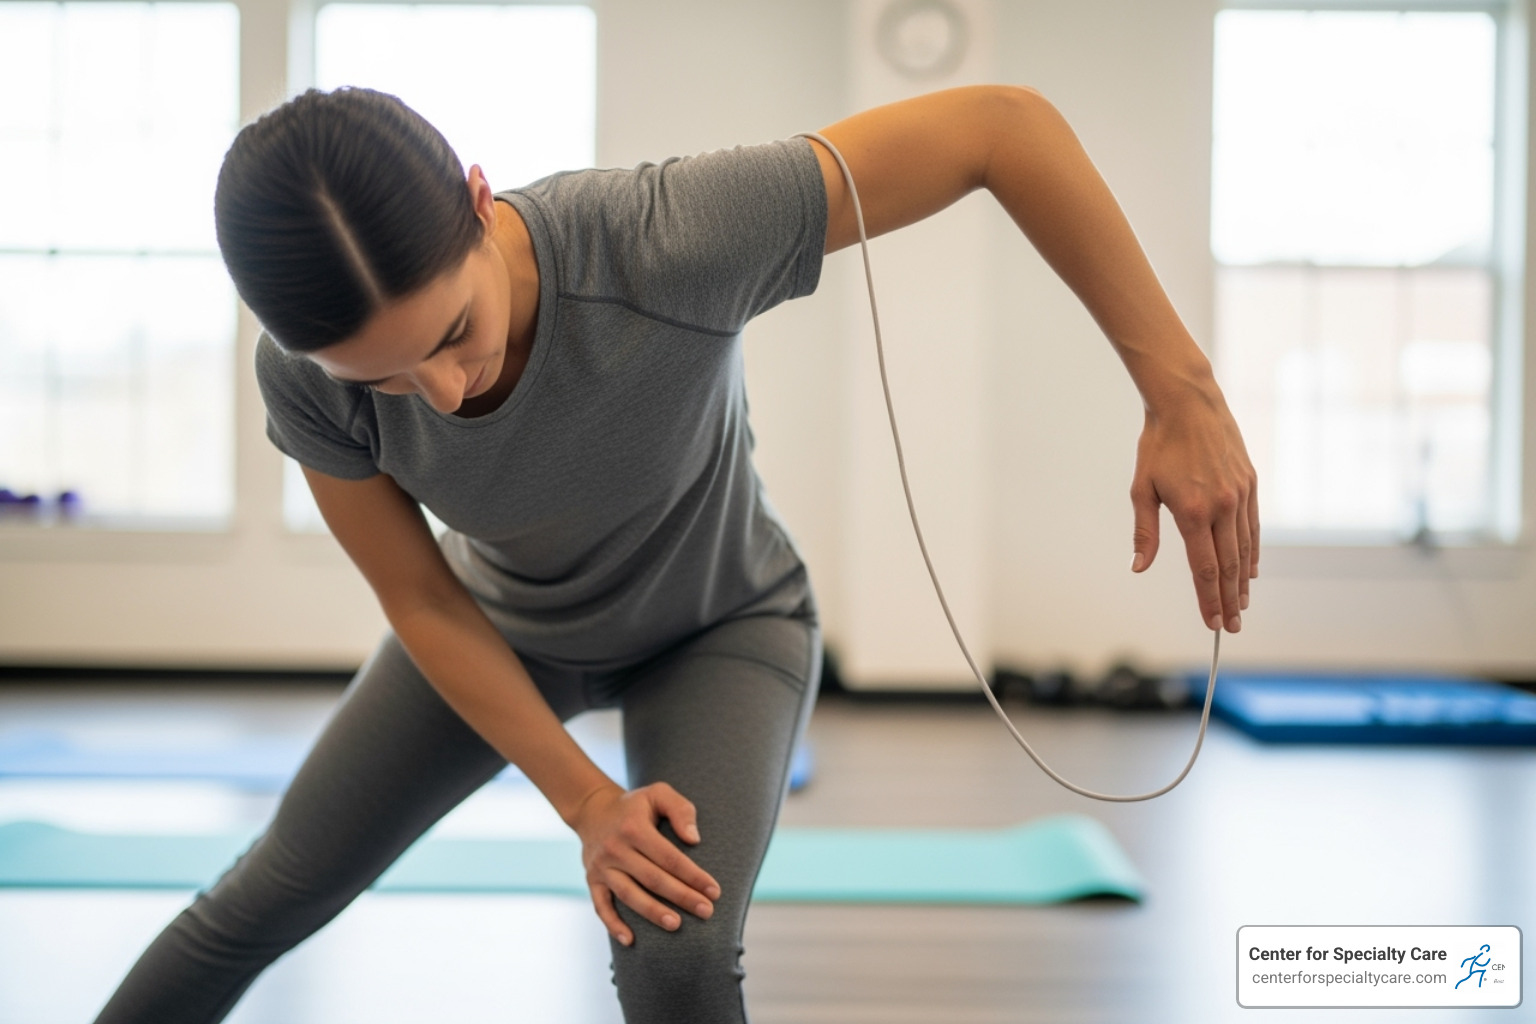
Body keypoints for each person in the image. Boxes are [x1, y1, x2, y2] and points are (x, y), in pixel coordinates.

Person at [93, 83, 1258, 1024]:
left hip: (723, 627)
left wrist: (1181, 388)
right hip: (499, 631)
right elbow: (418, 592)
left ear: (476, 196)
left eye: (453, 334)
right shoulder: (299, 379)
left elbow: (1005, 129)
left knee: (677, 958)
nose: (440, 395)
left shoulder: (663, 242)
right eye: (383, 380)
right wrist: (586, 797)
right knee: (260, 900)